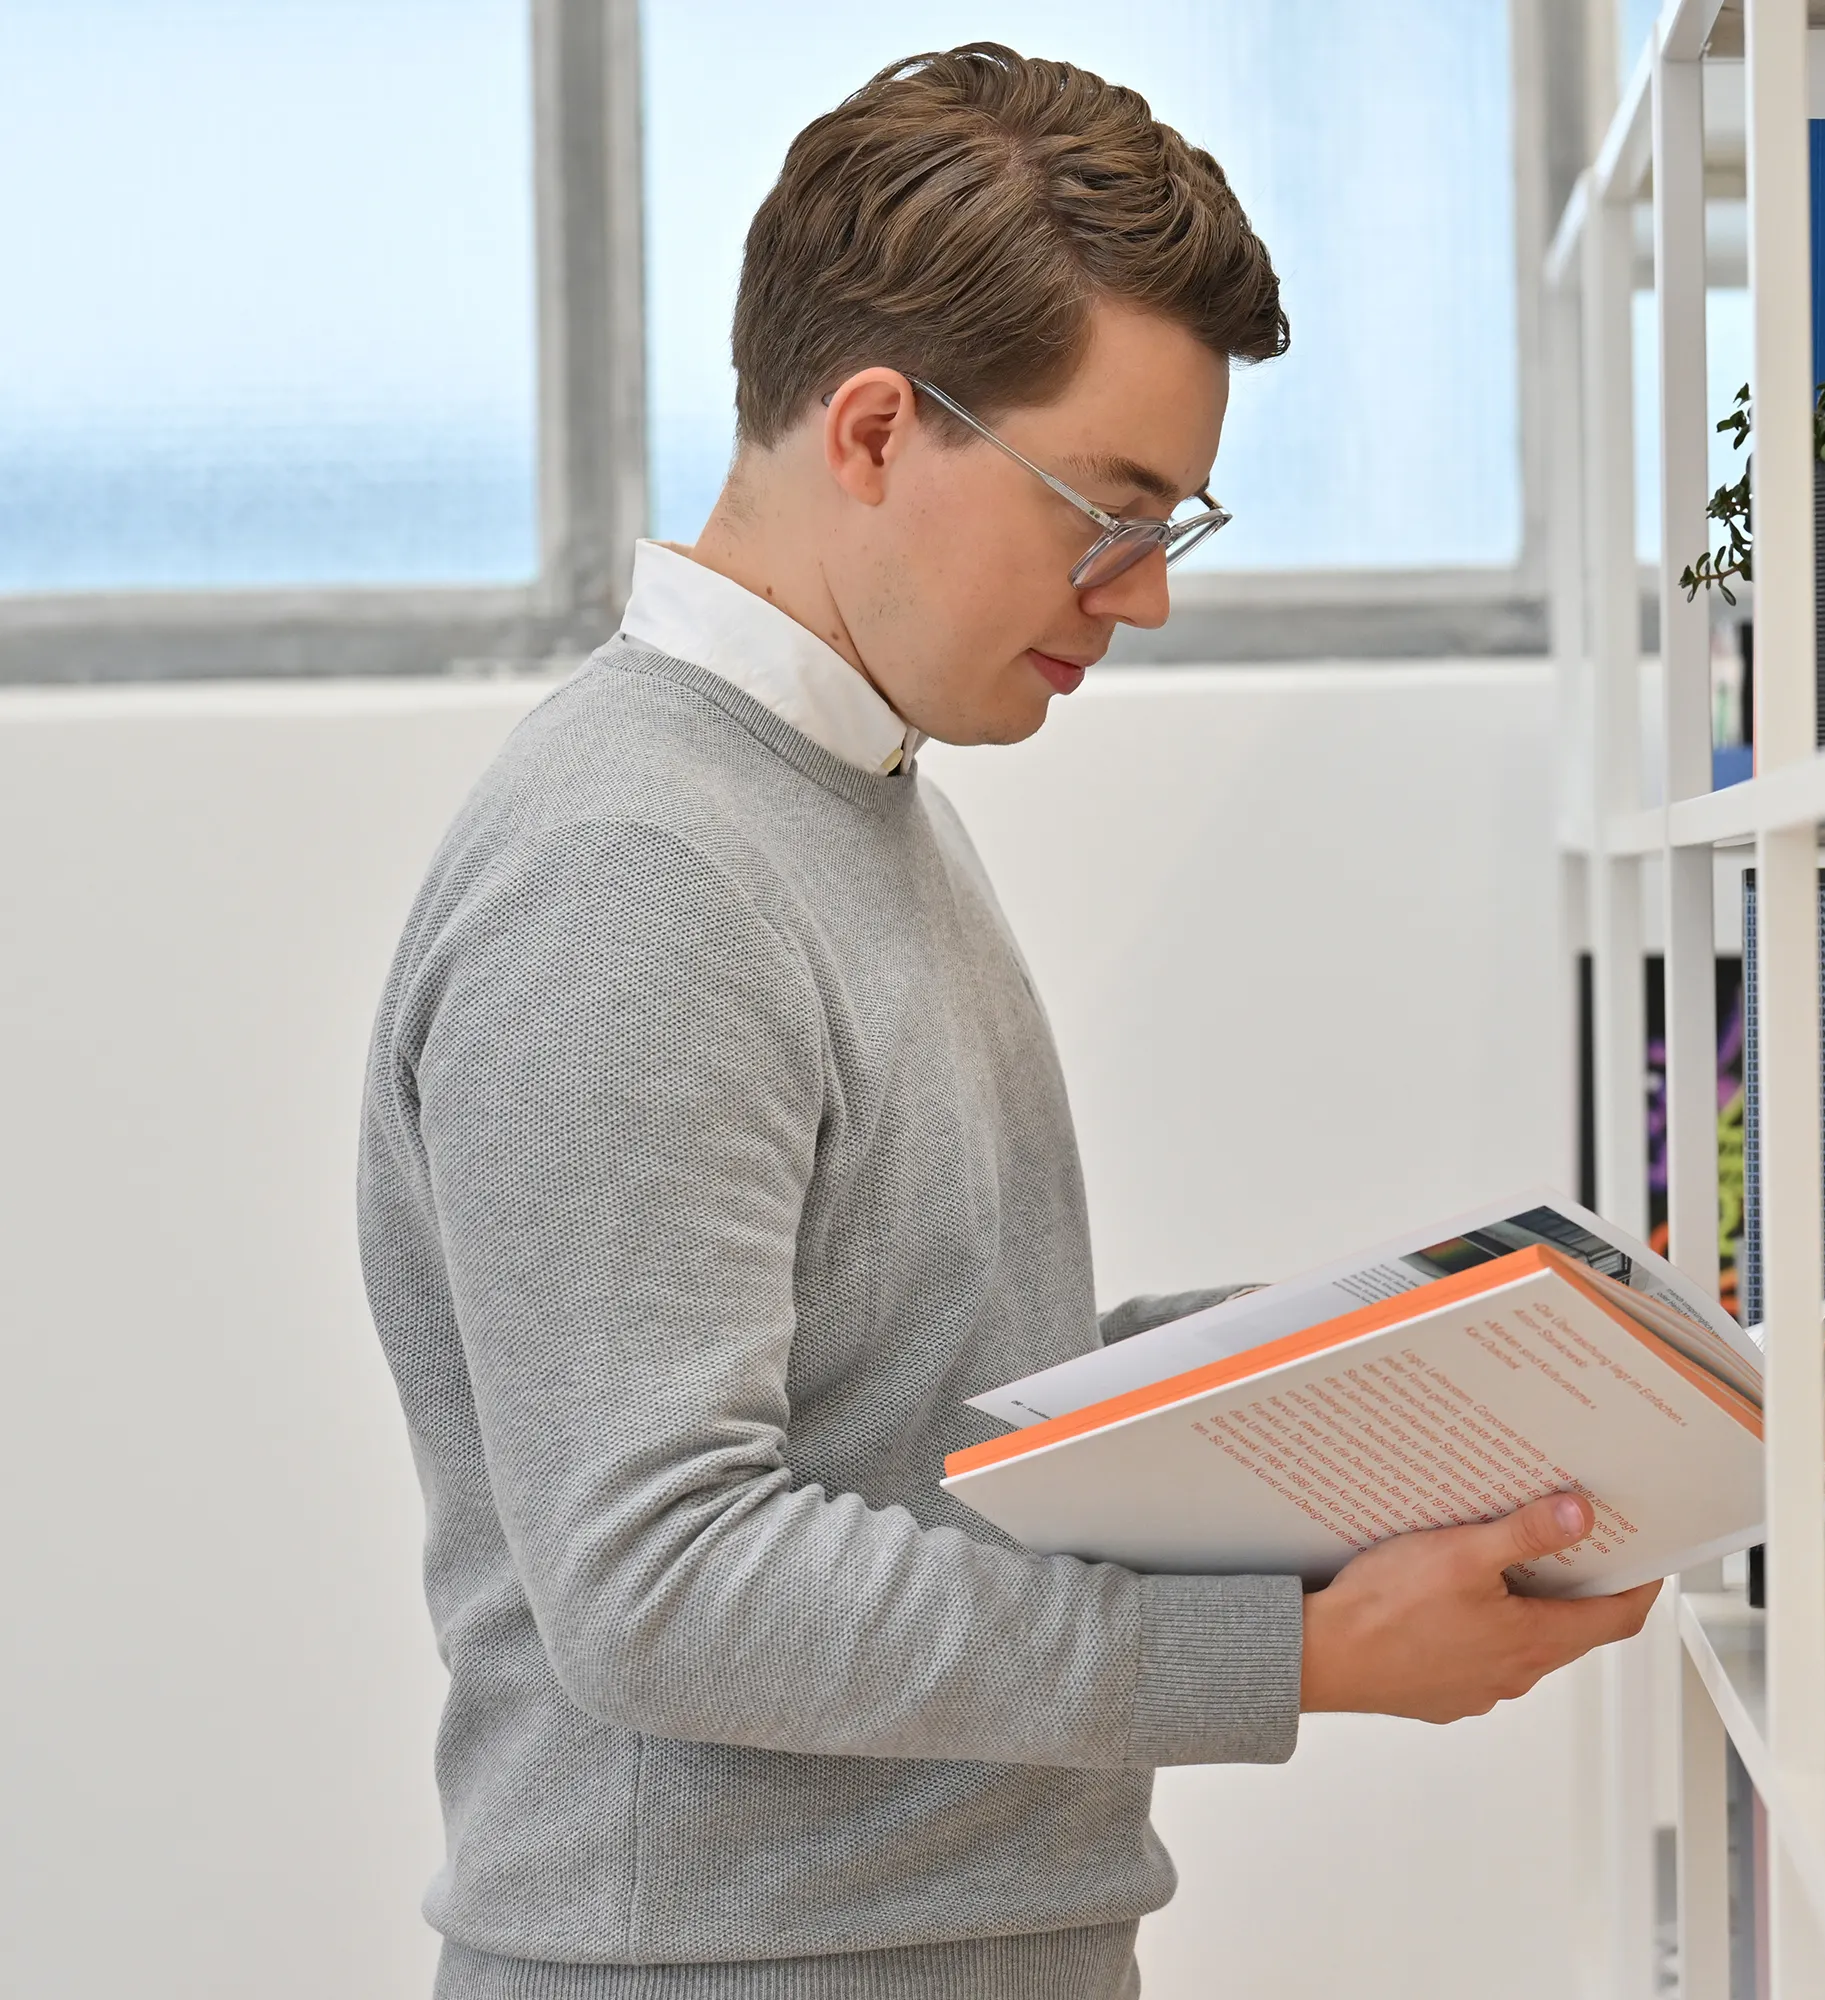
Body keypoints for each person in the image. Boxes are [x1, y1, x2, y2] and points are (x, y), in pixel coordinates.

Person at [358, 44, 1657, 2000]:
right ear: (876, 428)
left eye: (1174, 527)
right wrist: (1296, 1653)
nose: (1142, 599)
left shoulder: (856, 810)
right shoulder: (639, 867)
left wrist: (1435, 1377)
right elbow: (663, 1578)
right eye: (1108, 507)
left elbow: (936, 1403)